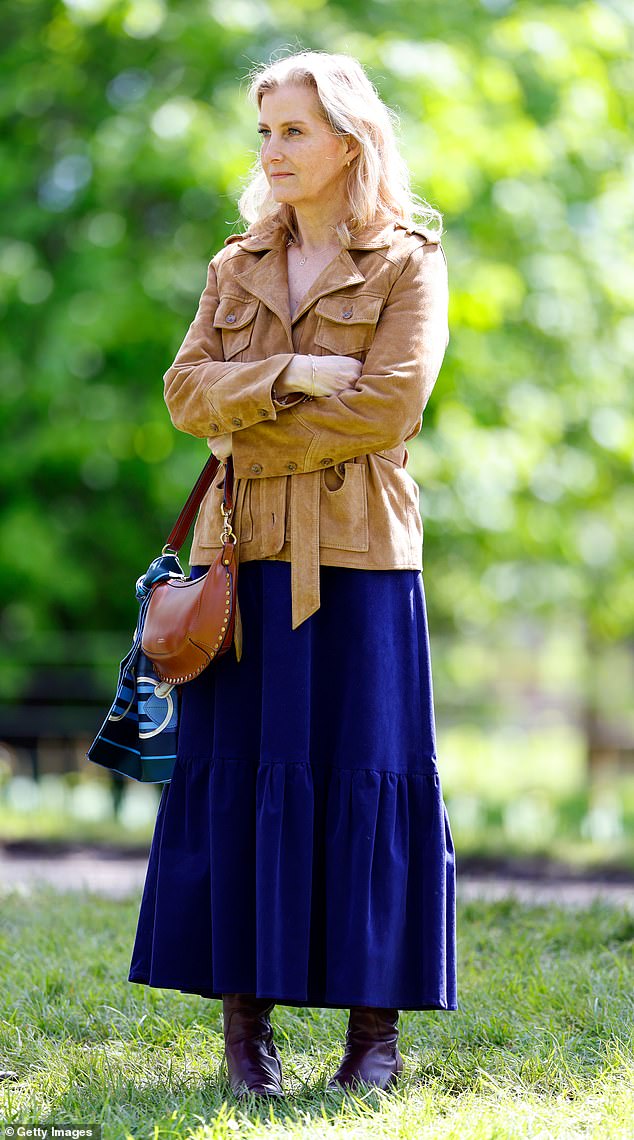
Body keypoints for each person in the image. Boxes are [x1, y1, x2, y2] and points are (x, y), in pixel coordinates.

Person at [128, 49, 457, 1099]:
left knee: (368, 776)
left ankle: (374, 1041)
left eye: (292, 132)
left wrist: (247, 419)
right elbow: (185, 395)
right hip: (243, 562)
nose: (270, 151)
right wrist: (289, 375)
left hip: (361, 566)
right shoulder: (236, 267)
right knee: (241, 787)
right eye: (263, 130)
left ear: (348, 141)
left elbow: (389, 410)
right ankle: (247, 1041)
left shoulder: (407, 262)